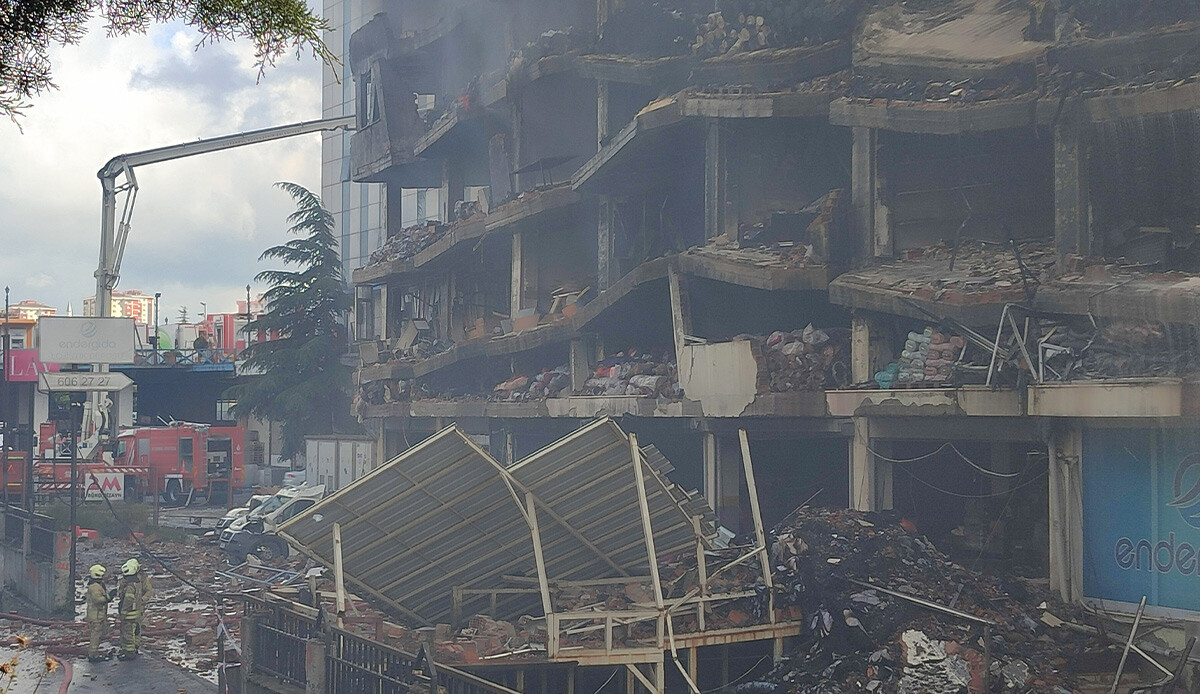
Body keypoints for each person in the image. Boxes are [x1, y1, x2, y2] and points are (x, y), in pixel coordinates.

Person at [116, 558, 152, 660]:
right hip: (134, 610)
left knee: (130, 630)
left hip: (134, 610)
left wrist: (140, 601)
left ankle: (130, 650)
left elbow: (148, 592)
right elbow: (122, 592)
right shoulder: (130, 579)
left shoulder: (142, 579)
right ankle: (130, 648)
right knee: (134, 630)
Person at [84, 564, 111, 662]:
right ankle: (93, 655)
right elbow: (97, 600)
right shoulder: (95, 587)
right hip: (96, 616)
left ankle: (94, 653)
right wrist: (108, 597)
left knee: (97, 634)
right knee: (95, 635)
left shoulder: (96, 584)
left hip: (97, 614)